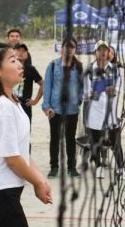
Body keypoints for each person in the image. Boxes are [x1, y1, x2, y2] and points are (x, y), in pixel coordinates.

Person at [0, 43, 51, 226]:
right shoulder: (3, 107)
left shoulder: (12, 101)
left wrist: (41, 180)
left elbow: (21, 152)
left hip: (4, 190)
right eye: (13, 60)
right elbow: (12, 159)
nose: (20, 64)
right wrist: (37, 183)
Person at [42, 38, 83, 178]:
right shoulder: (53, 65)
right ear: (62, 49)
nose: (69, 50)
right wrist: (46, 106)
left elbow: (82, 86)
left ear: (75, 49)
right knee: (55, 139)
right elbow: (47, 86)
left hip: (72, 109)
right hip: (55, 109)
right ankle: (54, 167)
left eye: (72, 47)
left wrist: (78, 99)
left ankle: (71, 167)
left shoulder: (79, 67)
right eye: (66, 47)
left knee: (70, 139)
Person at [83, 40, 123, 179]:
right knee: (95, 142)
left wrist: (111, 90)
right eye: (99, 50)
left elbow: (119, 89)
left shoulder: (115, 69)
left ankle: (121, 168)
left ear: (108, 53)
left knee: (115, 142)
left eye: (105, 50)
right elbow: (85, 94)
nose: (102, 53)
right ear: (95, 53)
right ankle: (99, 167)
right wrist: (101, 90)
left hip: (111, 113)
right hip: (94, 113)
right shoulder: (89, 70)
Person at [12, 43, 43, 123]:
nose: (21, 52)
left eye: (24, 51)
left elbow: (43, 84)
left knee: (25, 129)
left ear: (27, 54)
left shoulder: (30, 69)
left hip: (25, 106)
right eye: (19, 50)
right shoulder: (8, 67)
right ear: (13, 52)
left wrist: (35, 101)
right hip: (10, 105)